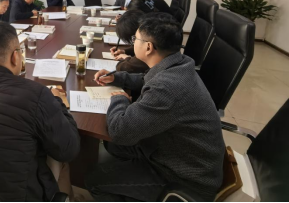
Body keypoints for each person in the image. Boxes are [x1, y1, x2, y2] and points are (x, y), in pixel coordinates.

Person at [87, 14, 225, 202]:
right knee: (113, 146)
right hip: (170, 150)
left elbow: (119, 131)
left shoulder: (167, 88)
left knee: (95, 180)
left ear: (148, 47)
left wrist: (119, 99)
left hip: (184, 177)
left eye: (135, 39)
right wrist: (117, 78)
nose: (133, 42)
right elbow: (146, 79)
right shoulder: (178, 63)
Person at [0, 22, 80, 202]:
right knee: (59, 157)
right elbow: (69, 150)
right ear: (15, 56)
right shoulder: (36, 94)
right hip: (21, 195)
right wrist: (58, 102)